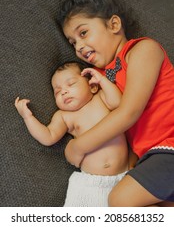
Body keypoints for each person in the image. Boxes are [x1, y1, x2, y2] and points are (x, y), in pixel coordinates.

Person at [57, 0, 174, 207]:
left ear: (113, 25)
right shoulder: (100, 78)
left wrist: (79, 145)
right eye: (72, 43)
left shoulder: (143, 50)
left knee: (120, 201)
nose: (79, 47)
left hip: (170, 145)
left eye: (83, 33)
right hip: (153, 158)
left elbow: (129, 113)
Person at [14, 61, 128, 207]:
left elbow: (118, 103)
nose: (63, 92)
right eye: (57, 91)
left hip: (125, 178)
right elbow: (48, 136)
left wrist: (102, 80)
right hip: (90, 184)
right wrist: (28, 118)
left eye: (71, 84)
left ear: (92, 86)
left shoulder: (101, 98)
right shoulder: (64, 116)